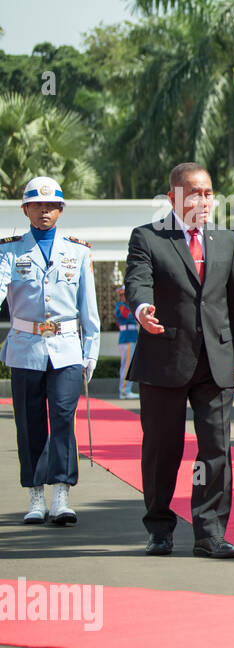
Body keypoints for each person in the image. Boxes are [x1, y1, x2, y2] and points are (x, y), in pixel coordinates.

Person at [125, 162, 234, 558]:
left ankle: (209, 533)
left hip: (216, 362)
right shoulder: (147, 237)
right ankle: (159, 528)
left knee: (216, 449)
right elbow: (137, 280)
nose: (204, 200)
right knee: (163, 449)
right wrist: (143, 308)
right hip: (165, 358)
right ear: (174, 196)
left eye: (209, 193)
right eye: (195, 192)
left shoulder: (225, 239)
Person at [1, 176, 100, 526]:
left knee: (62, 418)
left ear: (60, 210)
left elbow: (89, 308)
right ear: (25, 209)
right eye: (37, 205)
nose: (45, 211)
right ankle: (35, 494)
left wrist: (91, 351)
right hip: (25, 348)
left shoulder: (78, 250)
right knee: (29, 424)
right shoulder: (8, 249)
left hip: (67, 349)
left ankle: (61, 492)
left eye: (52, 206)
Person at [114, 285, 139, 399]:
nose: (124, 297)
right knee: (126, 366)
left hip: (132, 338)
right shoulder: (121, 306)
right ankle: (124, 391)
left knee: (129, 366)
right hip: (127, 339)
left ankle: (126, 390)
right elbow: (129, 316)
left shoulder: (128, 306)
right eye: (122, 295)